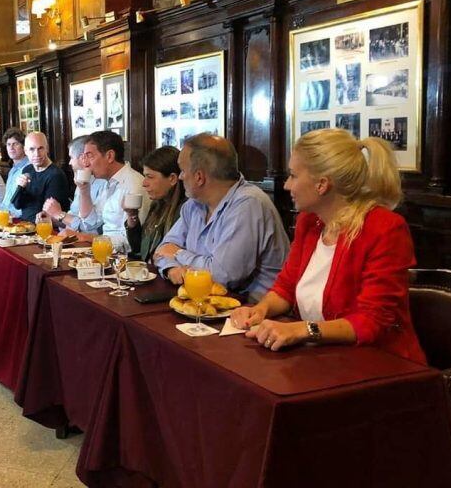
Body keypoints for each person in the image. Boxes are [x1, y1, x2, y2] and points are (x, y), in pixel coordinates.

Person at [230, 129, 426, 362]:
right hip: (324, 360)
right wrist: (261, 310)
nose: (286, 186)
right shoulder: (309, 222)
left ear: (322, 184)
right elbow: (287, 286)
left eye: (293, 176)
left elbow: (372, 321)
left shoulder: (385, 228)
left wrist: (302, 330)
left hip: (382, 366)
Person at [154, 134, 290, 299]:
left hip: (254, 311)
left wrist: (178, 254)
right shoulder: (194, 204)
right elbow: (163, 249)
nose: (181, 176)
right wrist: (171, 269)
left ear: (199, 177)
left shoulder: (247, 204)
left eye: (182, 171)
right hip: (205, 301)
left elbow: (222, 275)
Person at [77, 131, 150, 251]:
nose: (86, 163)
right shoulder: (108, 182)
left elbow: (130, 241)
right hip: (105, 250)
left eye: (90, 156)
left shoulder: (133, 184)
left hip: (123, 258)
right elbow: (91, 223)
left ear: (110, 156)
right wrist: (84, 190)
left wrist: (90, 238)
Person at [125, 146, 186, 262]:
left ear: (172, 179)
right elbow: (139, 250)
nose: (144, 183)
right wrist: (132, 217)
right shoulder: (158, 205)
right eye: (144, 176)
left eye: (150, 177)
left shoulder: (185, 210)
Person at [43, 135, 107, 232]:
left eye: (71, 157)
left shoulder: (103, 183)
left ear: (82, 157)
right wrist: (52, 217)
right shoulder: (81, 179)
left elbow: (91, 228)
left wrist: (59, 214)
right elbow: (72, 219)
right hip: (70, 237)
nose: (69, 163)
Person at [11, 132, 70, 223]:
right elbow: (17, 205)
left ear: (47, 149)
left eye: (40, 148)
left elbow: (47, 216)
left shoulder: (55, 175)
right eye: (32, 149)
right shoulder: (27, 169)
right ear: (25, 151)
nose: (37, 154)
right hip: (24, 224)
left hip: (44, 228)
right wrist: (20, 187)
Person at [0, 128, 29, 218]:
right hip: (5, 216)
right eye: (8, 144)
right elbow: (6, 200)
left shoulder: (29, 168)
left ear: (23, 146)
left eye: (15, 144)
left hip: (18, 219)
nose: (11, 148)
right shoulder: (12, 170)